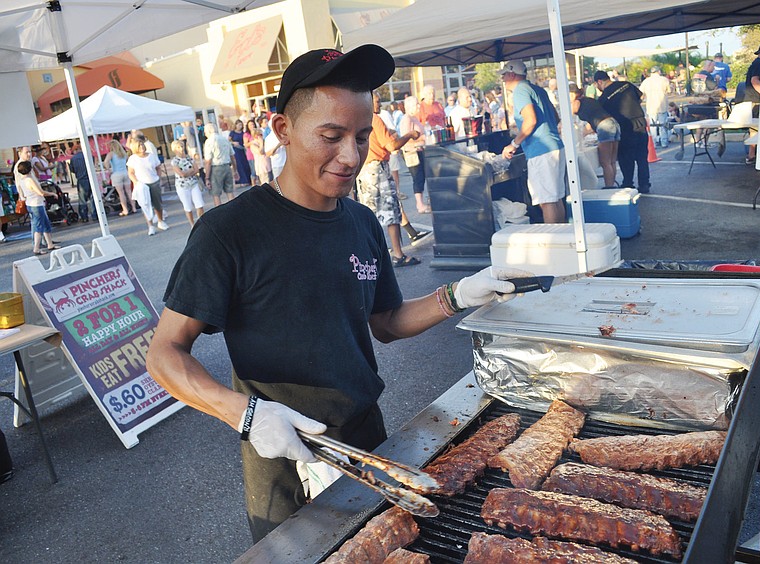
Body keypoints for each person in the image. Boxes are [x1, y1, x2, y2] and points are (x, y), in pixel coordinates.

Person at [145, 44, 522, 543]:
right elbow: (164, 353)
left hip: (367, 435)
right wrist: (246, 413)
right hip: (283, 450)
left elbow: (385, 321)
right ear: (283, 130)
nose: (351, 156)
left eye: (362, 137)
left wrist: (457, 295)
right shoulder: (229, 232)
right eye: (331, 136)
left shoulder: (361, 222)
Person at [357, 92, 421, 267]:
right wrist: (409, 135)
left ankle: (372, 256)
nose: (380, 105)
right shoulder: (374, 119)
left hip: (364, 170)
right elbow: (391, 146)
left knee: (370, 213)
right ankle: (398, 254)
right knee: (391, 211)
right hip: (378, 168)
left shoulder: (358, 117)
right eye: (377, 102)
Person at [500, 60, 566, 223]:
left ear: (512, 74)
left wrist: (514, 144)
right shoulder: (537, 89)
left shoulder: (520, 90)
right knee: (556, 198)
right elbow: (555, 117)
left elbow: (530, 121)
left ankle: (555, 242)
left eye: (504, 75)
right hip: (555, 146)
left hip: (541, 150)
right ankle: (564, 239)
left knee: (547, 201)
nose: (502, 79)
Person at [594, 70, 651, 194]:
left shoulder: (603, 99)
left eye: (596, 85)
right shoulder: (626, 84)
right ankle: (644, 184)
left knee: (626, 157)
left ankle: (628, 183)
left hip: (624, 126)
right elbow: (640, 97)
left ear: (599, 82)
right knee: (642, 157)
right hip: (639, 122)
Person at [569, 83, 621, 188]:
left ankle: (609, 187)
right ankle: (611, 185)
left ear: (572, 94)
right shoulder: (589, 100)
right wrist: (583, 133)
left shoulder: (577, 102)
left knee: (605, 162)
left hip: (604, 126)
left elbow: (570, 115)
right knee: (611, 161)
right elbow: (592, 120)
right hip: (613, 123)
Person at [17, 160, 60, 255]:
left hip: (30, 203)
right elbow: (40, 192)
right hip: (36, 204)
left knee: (45, 223)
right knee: (39, 226)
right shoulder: (30, 180)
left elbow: (22, 194)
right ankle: (36, 248)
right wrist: (52, 193)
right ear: (29, 169)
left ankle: (50, 244)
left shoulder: (22, 180)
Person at [399, 95, 432, 215]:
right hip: (412, 152)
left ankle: (422, 202)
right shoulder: (406, 119)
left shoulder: (414, 118)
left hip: (420, 150)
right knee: (417, 177)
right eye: (416, 104)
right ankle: (419, 204)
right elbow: (405, 138)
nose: (419, 106)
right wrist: (421, 138)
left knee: (422, 176)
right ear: (410, 107)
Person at [127, 136, 167, 235]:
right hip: (142, 184)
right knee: (146, 205)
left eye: (142, 144)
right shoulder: (133, 159)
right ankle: (150, 225)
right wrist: (136, 182)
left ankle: (160, 221)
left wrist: (158, 177)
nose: (142, 146)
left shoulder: (151, 156)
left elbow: (158, 167)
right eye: (139, 145)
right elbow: (131, 172)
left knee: (157, 203)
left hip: (153, 181)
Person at [170, 140, 205, 226]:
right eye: (178, 147)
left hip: (193, 183)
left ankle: (202, 222)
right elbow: (182, 174)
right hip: (182, 186)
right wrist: (191, 171)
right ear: (174, 149)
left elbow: (196, 170)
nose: (181, 149)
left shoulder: (189, 158)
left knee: (199, 203)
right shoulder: (175, 161)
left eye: (182, 146)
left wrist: (189, 172)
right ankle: (192, 224)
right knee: (187, 206)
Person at [203, 121, 238, 207]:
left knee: (216, 194)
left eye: (205, 131)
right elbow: (232, 156)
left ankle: (219, 212)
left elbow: (208, 161)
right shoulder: (224, 139)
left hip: (216, 168)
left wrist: (207, 177)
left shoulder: (209, 142)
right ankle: (234, 210)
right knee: (230, 191)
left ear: (208, 131)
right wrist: (235, 170)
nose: (205, 133)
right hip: (227, 166)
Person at [744, 43, 760, 165]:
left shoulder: (757, 62)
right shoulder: (759, 63)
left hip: (752, 100)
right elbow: (755, 80)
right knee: (756, 128)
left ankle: (752, 155)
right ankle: (753, 155)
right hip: (756, 101)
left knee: (755, 129)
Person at [639, 67, 671, 149]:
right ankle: (664, 142)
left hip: (651, 106)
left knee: (652, 126)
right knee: (663, 125)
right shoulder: (664, 80)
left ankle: (653, 143)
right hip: (662, 105)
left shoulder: (646, 81)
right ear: (658, 71)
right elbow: (669, 91)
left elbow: (641, 93)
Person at [67, 145, 97, 223]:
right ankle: (95, 215)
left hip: (81, 180)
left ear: (75, 150)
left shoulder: (73, 159)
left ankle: (84, 217)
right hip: (90, 179)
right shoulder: (89, 155)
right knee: (93, 198)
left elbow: (72, 170)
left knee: (82, 200)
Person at [104, 139, 134, 216]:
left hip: (116, 174)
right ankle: (134, 207)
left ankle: (125, 210)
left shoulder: (111, 154)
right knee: (129, 192)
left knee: (121, 193)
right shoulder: (123, 153)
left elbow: (106, 162)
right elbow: (128, 162)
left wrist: (108, 169)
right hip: (125, 173)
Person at [229, 119, 251, 186]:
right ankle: (241, 181)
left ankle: (247, 180)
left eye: (241, 125)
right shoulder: (232, 133)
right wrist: (233, 143)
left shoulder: (243, 133)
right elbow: (228, 141)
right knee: (239, 165)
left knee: (245, 164)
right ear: (236, 125)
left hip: (242, 150)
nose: (240, 126)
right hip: (236, 150)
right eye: (239, 125)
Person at [244, 120, 261, 186]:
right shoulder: (246, 134)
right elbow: (246, 144)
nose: (252, 126)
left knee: (259, 169)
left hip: (258, 153)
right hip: (251, 154)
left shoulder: (257, 132)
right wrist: (252, 142)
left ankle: (260, 183)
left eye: (253, 124)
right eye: (250, 125)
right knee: (253, 170)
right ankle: (253, 184)